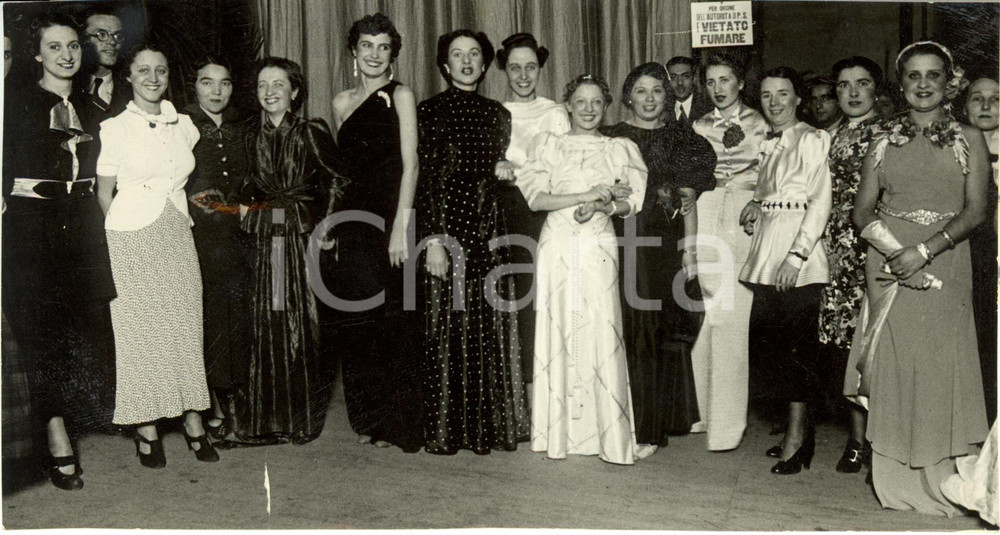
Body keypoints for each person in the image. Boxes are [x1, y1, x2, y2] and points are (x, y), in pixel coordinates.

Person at [850, 41, 989, 515]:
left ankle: (942, 481)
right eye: (913, 75)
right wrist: (896, 254)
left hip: (945, 260)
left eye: (933, 75)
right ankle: (895, 483)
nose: (923, 84)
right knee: (894, 367)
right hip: (889, 263)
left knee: (938, 368)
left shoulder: (969, 137)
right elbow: (862, 210)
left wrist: (925, 251)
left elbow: (977, 210)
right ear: (901, 83)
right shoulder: (882, 138)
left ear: (950, 82)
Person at [2, 14, 117, 490]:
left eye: (72, 45)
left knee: (82, 325)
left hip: (84, 222)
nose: (66, 55)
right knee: (40, 327)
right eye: (54, 47)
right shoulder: (14, 104)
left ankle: (76, 416)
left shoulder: (95, 108)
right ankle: (56, 436)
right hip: (32, 223)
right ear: (36, 54)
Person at [96, 43, 218, 468]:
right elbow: (104, 193)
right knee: (140, 332)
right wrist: (125, 235)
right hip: (131, 235)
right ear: (128, 76)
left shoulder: (185, 125)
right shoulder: (114, 128)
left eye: (160, 70)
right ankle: (145, 426)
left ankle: (193, 419)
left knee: (185, 325)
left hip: (177, 230)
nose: (152, 78)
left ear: (169, 77)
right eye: (143, 70)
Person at [520, 74, 648, 464]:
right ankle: (557, 435)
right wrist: (586, 194)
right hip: (557, 243)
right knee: (559, 326)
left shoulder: (620, 148)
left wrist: (602, 206)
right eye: (581, 101)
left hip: (598, 245)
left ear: (606, 106)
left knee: (601, 327)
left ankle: (609, 436)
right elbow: (536, 200)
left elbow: (632, 202)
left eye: (596, 102)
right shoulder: (548, 144)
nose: (589, 109)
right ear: (568, 106)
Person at [416, 29, 528, 455]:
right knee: (447, 328)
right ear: (445, 65)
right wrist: (433, 240)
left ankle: (487, 428)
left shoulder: (498, 114)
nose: (466, 62)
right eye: (457, 55)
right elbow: (427, 181)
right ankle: (447, 429)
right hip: (448, 229)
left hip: (489, 230)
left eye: (474, 54)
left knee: (487, 327)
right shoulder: (429, 111)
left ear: (484, 65)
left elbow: (495, 167)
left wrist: (504, 167)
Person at [224, 57, 344, 447]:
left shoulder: (311, 131)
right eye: (263, 85)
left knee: (300, 326)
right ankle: (264, 422)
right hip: (264, 235)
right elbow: (245, 188)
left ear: (294, 92)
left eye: (278, 84)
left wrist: (326, 227)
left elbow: (337, 180)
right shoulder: (250, 138)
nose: (270, 92)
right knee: (266, 325)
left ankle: (300, 421)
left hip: (299, 235)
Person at [600, 62, 716, 453]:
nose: (649, 99)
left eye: (657, 91)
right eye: (641, 91)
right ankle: (628, 424)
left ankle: (654, 426)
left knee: (658, 331)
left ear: (667, 97)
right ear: (628, 97)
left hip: (664, 246)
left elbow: (687, 202)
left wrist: (690, 252)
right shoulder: (610, 137)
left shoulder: (681, 138)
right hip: (619, 241)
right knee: (629, 330)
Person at [329, 13, 423, 453]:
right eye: (366, 45)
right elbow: (342, 174)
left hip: (392, 219)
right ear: (354, 52)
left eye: (383, 46)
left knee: (394, 320)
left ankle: (399, 423)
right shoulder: (340, 102)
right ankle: (368, 419)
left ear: (392, 54)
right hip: (352, 222)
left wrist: (402, 227)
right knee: (358, 321)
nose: (374, 54)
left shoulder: (401, 95)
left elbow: (411, 164)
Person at [738, 66, 832, 475]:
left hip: (798, 256)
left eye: (782, 94)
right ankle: (797, 430)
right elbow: (772, 191)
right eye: (766, 95)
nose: (774, 102)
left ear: (798, 99)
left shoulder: (813, 138)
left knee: (797, 352)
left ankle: (797, 438)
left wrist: (796, 256)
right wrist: (756, 203)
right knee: (773, 350)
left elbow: (819, 201)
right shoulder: (769, 142)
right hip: (767, 252)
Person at [813, 57, 888, 475]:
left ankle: (882, 441)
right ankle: (857, 439)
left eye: (862, 83)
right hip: (835, 251)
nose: (853, 92)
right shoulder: (828, 135)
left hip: (875, 246)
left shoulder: (892, 132)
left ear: (877, 88)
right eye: (844, 85)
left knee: (876, 343)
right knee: (847, 349)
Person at [690, 53, 768, 451]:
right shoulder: (698, 126)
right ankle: (702, 412)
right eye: (711, 82)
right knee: (708, 317)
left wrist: (757, 200)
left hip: (743, 220)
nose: (718, 88)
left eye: (725, 80)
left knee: (732, 320)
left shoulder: (761, 123)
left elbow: (772, 176)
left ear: (740, 83)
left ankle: (727, 426)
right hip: (705, 213)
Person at [493, 32, 570, 390]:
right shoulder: (495, 112)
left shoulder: (555, 112)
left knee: (541, 295)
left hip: (542, 214)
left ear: (540, 69)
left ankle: (544, 383)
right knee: (507, 296)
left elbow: (566, 169)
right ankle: (514, 386)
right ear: (504, 70)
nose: (523, 76)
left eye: (531, 67)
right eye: (515, 68)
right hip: (505, 211)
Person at [182, 57, 252, 441]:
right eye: (207, 82)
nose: (216, 91)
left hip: (240, 236)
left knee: (237, 317)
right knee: (208, 319)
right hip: (199, 237)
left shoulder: (242, 127)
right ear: (194, 86)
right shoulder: (181, 124)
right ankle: (211, 403)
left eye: (224, 83)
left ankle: (236, 400)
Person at [963, 76, 998, 426]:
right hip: (966, 256)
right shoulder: (953, 148)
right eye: (977, 98)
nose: (986, 106)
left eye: (996, 99)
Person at [77, 4, 128, 118]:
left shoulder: (133, 87)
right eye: (102, 34)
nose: (112, 42)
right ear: (83, 40)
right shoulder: (70, 86)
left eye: (118, 36)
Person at [666, 56, 713, 128]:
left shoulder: (709, 107)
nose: (680, 83)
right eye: (673, 77)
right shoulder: (662, 108)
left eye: (686, 76)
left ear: (694, 79)